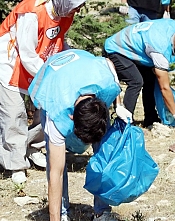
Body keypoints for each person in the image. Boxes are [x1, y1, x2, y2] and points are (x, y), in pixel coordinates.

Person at [0, 0, 86, 184]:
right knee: (13, 114)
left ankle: (33, 147)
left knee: (46, 107)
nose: (78, 10)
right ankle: (15, 165)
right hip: (8, 64)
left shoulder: (65, 13)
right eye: (76, 5)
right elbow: (27, 53)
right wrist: (52, 74)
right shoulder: (32, 12)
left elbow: (58, 41)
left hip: (37, 64)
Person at [28, 49, 129, 221]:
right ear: (72, 117)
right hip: (52, 76)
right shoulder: (55, 112)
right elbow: (56, 173)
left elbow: (109, 64)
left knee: (104, 149)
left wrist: (119, 105)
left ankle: (102, 210)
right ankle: (61, 212)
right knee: (55, 162)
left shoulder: (105, 84)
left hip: (85, 66)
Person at [103, 18, 175, 129]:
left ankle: (151, 118)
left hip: (132, 46)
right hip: (116, 49)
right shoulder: (160, 49)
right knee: (136, 81)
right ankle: (125, 121)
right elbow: (164, 88)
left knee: (150, 80)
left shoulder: (174, 25)